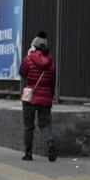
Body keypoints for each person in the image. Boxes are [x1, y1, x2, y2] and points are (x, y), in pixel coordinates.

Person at [19, 31, 57, 161]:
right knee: (45, 124)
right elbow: (52, 83)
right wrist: (50, 97)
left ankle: (28, 154)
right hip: (45, 97)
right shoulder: (51, 63)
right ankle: (50, 142)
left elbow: (22, 72)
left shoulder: (29, 59)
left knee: (28, 126)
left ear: (34, 47)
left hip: (30, 97)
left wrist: (28, 55)